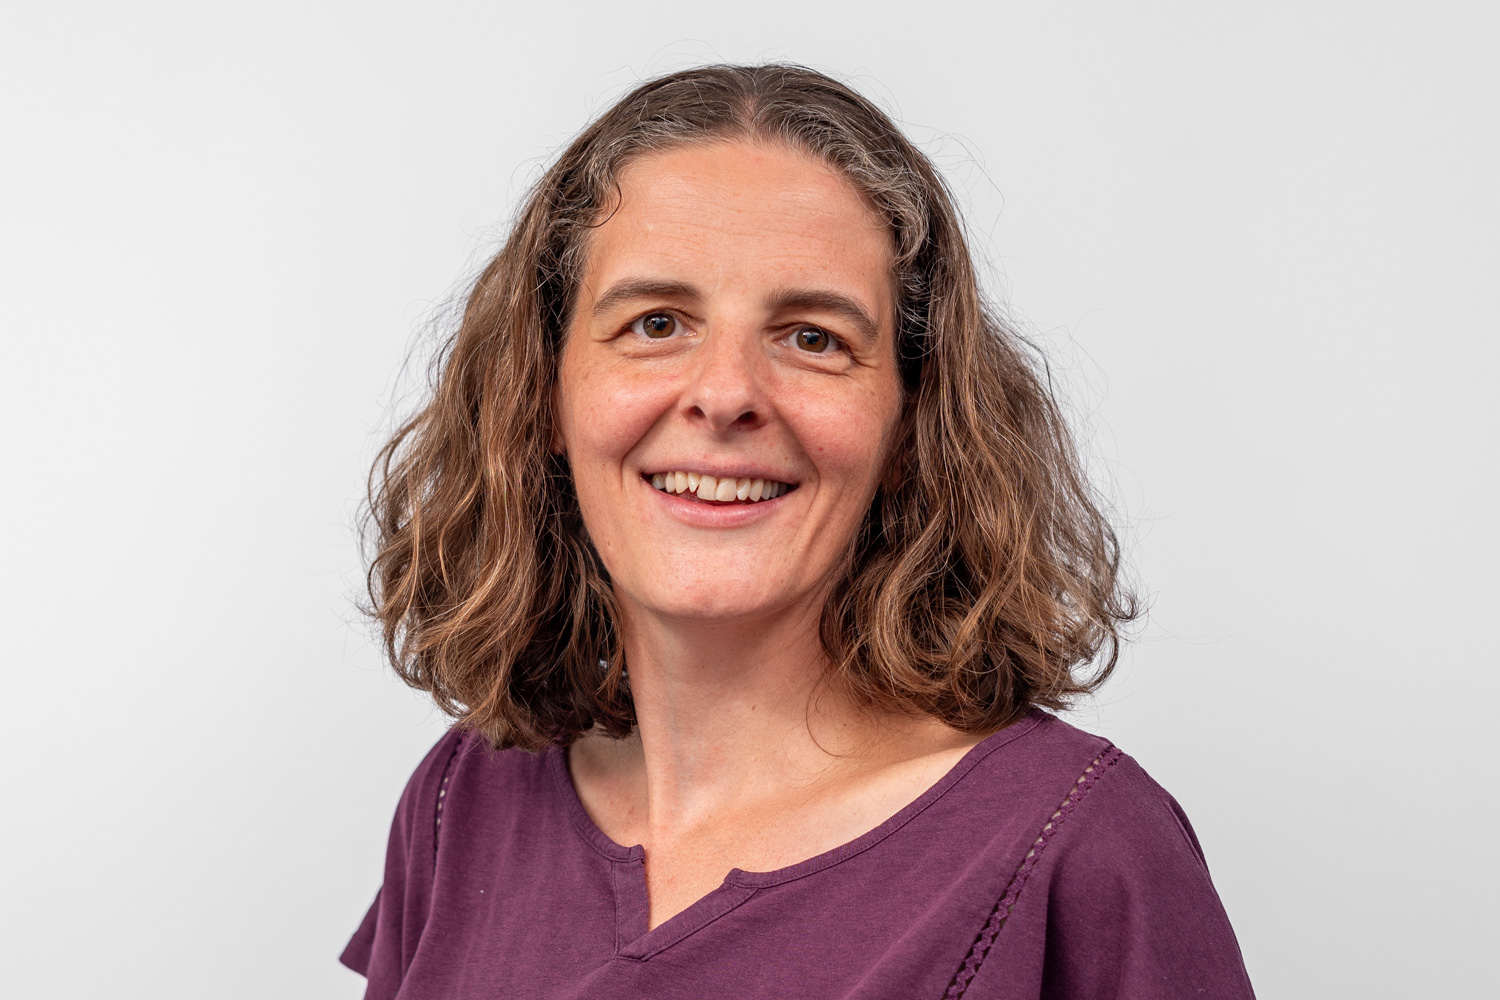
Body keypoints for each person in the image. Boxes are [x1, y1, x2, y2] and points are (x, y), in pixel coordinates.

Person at [341, 64, 1255, 999]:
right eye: (656, 323)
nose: (726, 393)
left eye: (813, 337)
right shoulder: (464, 803)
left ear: (912, 426)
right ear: (542, 396)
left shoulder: (1078, 845)